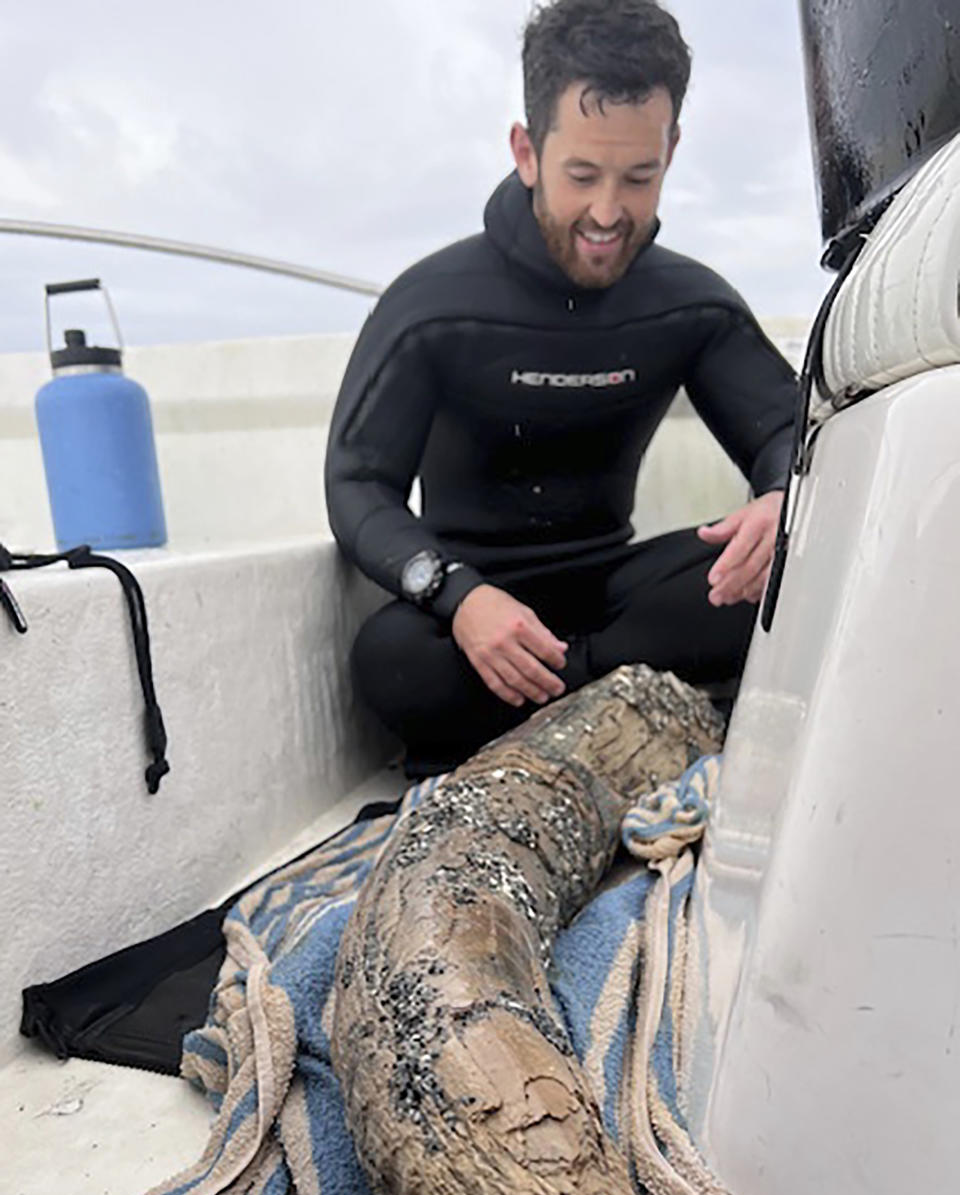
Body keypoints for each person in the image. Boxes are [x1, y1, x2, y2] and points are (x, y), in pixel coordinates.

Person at [325, 0, 797, 775]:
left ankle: (552, 708)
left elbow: (786, 432)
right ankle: (612, 707)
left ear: (671, 151)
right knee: (389, 660)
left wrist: (779, 502)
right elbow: (356, 483)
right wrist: (456, 594)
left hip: (616, 595)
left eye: (639, 177)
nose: (608, 213)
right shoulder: (433, 306)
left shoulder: (689, 304)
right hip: (474, 611)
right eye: (582, 175)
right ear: (526, 150)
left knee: (771, 577)